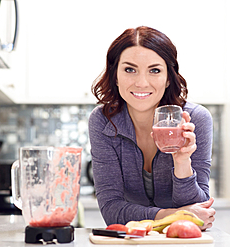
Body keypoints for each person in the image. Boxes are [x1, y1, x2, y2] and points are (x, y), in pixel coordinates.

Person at [88, 26, 215, 230]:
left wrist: (182, 162)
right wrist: (173, 215)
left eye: (154, 70)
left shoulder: (195, 119)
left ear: (168, 78)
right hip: (132, 241)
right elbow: (111, 211)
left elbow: (199, 213)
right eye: (130, 69)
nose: (141, 82)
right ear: (115, 75)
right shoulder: (104, 121)